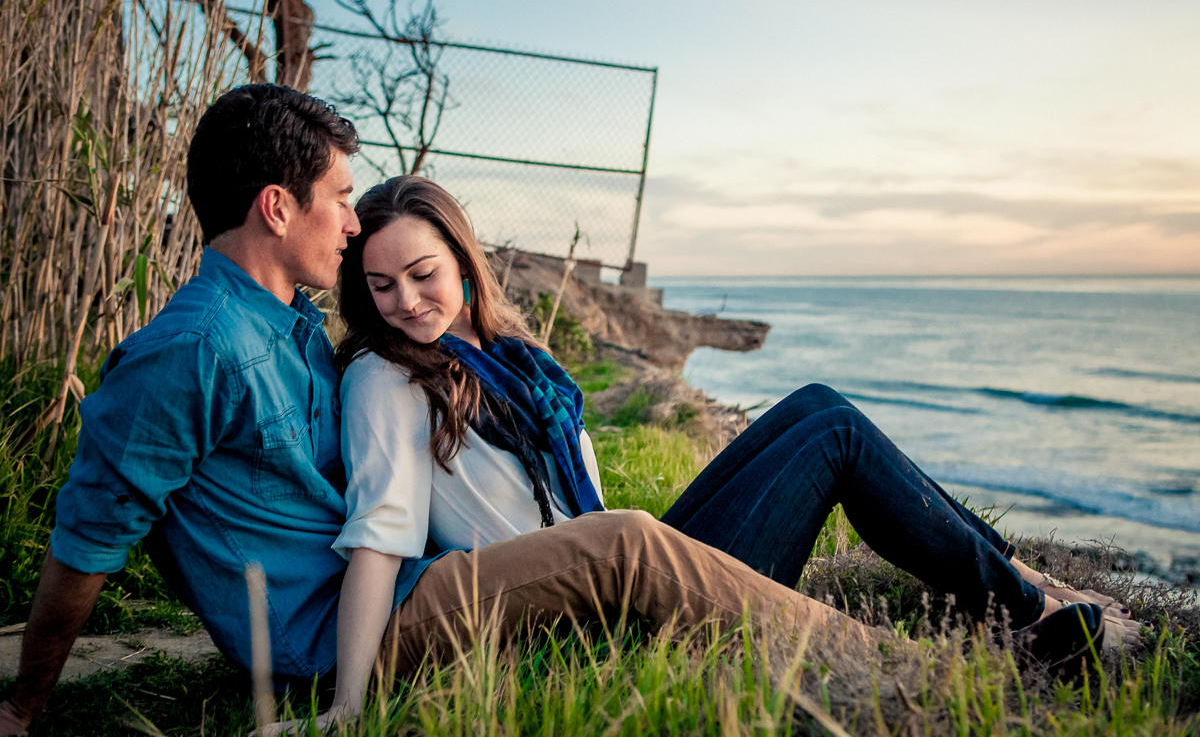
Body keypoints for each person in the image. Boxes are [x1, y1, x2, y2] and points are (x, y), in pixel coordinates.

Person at [262, 176, 1138, 733]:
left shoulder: (510, 359)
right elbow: (378, 532)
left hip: (628, 563)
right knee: (662, 517)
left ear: (461, 256)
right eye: (379, 286)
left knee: (822, 413)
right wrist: (348, 705)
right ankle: (976, 653)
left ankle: (1022, 591)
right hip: (589, 608)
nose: (407, 301)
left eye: (422, 274)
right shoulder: (384, 377)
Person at [0, 84, 363, 736]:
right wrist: (21, 710)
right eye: (341, 199)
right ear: (278, 208)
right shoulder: (193, 352)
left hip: (385, 586)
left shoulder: (293, 325)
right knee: (611, 548)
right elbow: (90, 538)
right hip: (333, 638)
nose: (353, 222)